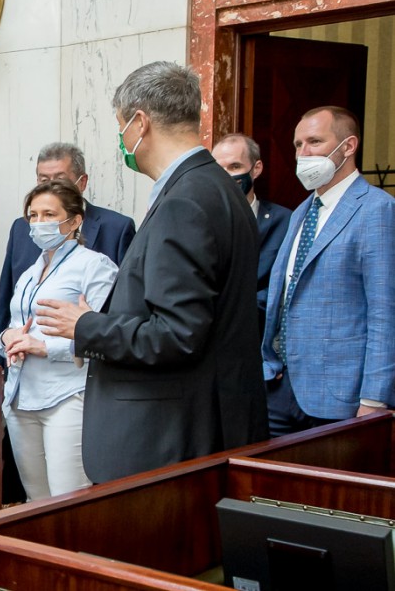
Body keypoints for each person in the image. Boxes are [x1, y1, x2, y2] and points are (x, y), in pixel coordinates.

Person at [37, 61, 268, 484]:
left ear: (140, 123)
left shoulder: (185, 201)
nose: (122, 140)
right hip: (206, 422)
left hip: (169, 436)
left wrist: (86, 326)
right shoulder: (219, 188)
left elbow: (177, 334)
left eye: (121, 126)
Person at [261, 106, 395, 436]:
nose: (303, 154)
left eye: (315, 142)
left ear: (348, 146)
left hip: (341, 400)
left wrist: (374, 400)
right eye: (298, 145)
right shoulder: (301, 213)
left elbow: (385, 312)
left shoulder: (377, 209)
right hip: (280, 388)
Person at [0, 180, 117, 499]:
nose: (39, 223)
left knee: (68, 499)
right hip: (21, 396)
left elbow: (104, 336)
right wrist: (8, 337)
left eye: (49, 214)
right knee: (36, 500)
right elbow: (15, 325)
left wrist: (42, 347)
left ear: (75, 221)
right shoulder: (30, 273)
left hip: (67, 395)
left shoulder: (95, 266)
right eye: (33, 215)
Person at [0, 142, 134, 355]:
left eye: (60, 180)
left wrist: (47, 348)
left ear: (82, 182)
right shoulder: (22, 228)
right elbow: (7, 301)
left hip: (78, 366)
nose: (51, 187)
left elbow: (119, 316)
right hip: (20, 367)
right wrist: (3, 345)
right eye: (44, 180)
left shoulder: (116, 228)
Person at [211, 133, 291, 336]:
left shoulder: (285, 221)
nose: (226, 176)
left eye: (235, 167)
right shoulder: (201, 220)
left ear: (256, 169)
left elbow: (284, 285)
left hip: (262, 335)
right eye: (219, 169)